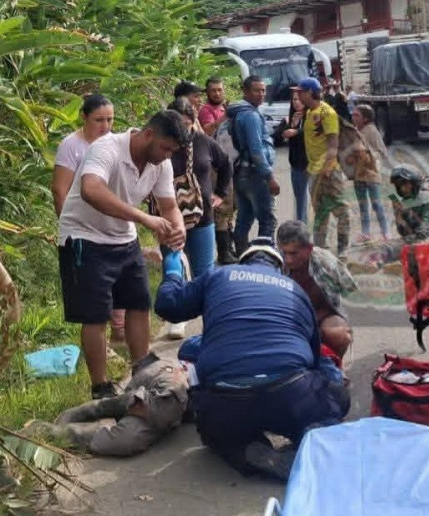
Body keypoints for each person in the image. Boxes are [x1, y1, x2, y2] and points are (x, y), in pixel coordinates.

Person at [155, 238, 350, 480]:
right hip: (288, 395)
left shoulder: (219, 275)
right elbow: (313, 358)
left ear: (243, 260)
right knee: (335, 399)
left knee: (221, 434)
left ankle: (247, 450)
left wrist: (173, 269)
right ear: (280, 267)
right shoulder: (295, 290)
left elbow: (167, 305)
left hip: (226, 400)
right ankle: (311, 437)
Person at [58, 109, 188, 399]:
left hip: (123, 238)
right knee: (96, 315)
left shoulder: (160, 164)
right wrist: (143, 218)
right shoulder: (107, 148)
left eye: (173, 151)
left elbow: (169, 207)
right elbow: (91, 190)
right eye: (165, 148)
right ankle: (100, 386)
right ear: (149, 134)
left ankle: (141, 369)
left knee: (139, 303)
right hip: (84, 236)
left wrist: (178, 229)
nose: (167, 156)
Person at [52, 94, 126, 345]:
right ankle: (103, 344)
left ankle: (120, 336)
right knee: (95, 295)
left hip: (112, 227)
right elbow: (60, 190)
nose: (106, 126)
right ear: (84, 117)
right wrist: (69, 230)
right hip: (83, 231)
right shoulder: (71, 146)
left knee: (120, 286)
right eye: (99, 120)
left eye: (110, 120)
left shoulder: (114, 144)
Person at [24, 352, 188, 457]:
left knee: (134, 433)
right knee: (133, 433)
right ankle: (47, 431)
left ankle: (111, 409)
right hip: (169, 383)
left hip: (163, 379)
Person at [161, 98, 231, 338]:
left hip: (202, 217)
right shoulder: (163, 146)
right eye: (178, 124)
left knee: (204, 272)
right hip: (170, 217)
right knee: (174, 267)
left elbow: (225, 164)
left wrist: (220, 193)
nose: (183, 130)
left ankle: (211, 324)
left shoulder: (203, 143)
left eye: (188, 124)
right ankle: (177, 320)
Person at [277, 221, 356, 364]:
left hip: (322, 317)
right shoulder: (273, 263)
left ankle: (336, 367)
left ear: (309, 249)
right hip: (287, 319)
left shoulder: (327, 262)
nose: (288, 259)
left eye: (294, 253)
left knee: (339, 335)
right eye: (284, 252)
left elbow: (349, 287)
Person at [299, 77, 351, 256]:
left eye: (301, 91)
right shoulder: (308, 113)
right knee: (320, 213)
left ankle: (343, 249)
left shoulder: (327, 113)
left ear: (309, 92)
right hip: (314, 171)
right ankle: (321, 251)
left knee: (341, 210)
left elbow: (333, 143)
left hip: (329, 172)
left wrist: (328, 167)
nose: (298, 95)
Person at [228, 75, 279, 255]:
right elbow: (256, 150)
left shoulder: (239, 112)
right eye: (256, 90)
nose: (261, 94)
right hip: (254, 174)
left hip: (240, 172)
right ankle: (264, 257)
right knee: (267, 220)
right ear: (246, 91)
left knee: (245, 216)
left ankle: (242, 254)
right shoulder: (250, 116)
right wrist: (270, 177)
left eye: (263, 90)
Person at [201, 77, 238, 263]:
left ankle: (229, 248)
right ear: (207, 92)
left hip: (227, 163)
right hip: (214, 165)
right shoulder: (206, 110)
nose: (217, 93)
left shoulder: (224, 108)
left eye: (220, 90)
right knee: (222, 207)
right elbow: (207, 130)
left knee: (230, 208)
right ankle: (223, 253)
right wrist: (223, 117)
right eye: (213, 90)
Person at [351, 104, 390, 241]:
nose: (353, 117)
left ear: (366, 118)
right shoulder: (354, 131)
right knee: (362, 205)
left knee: (376, 204)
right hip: (358, 173)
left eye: (357, 115)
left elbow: (383, 152)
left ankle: (385, 232)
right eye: (353, 114)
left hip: (372, 174)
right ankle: (366, 232)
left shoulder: (372, 131)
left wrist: (369, 157)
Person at [275, 87, 310, 223]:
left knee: (315, 199)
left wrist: (297, 132)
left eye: (300, 99)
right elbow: (277, 136)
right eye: (294, 99)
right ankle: (301, 228)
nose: (297, 102)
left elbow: (314, 134)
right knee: (300, 198)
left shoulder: (313, 115)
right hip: (297, 165)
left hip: (312, 163)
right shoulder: (289, 117)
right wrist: (291, 125)